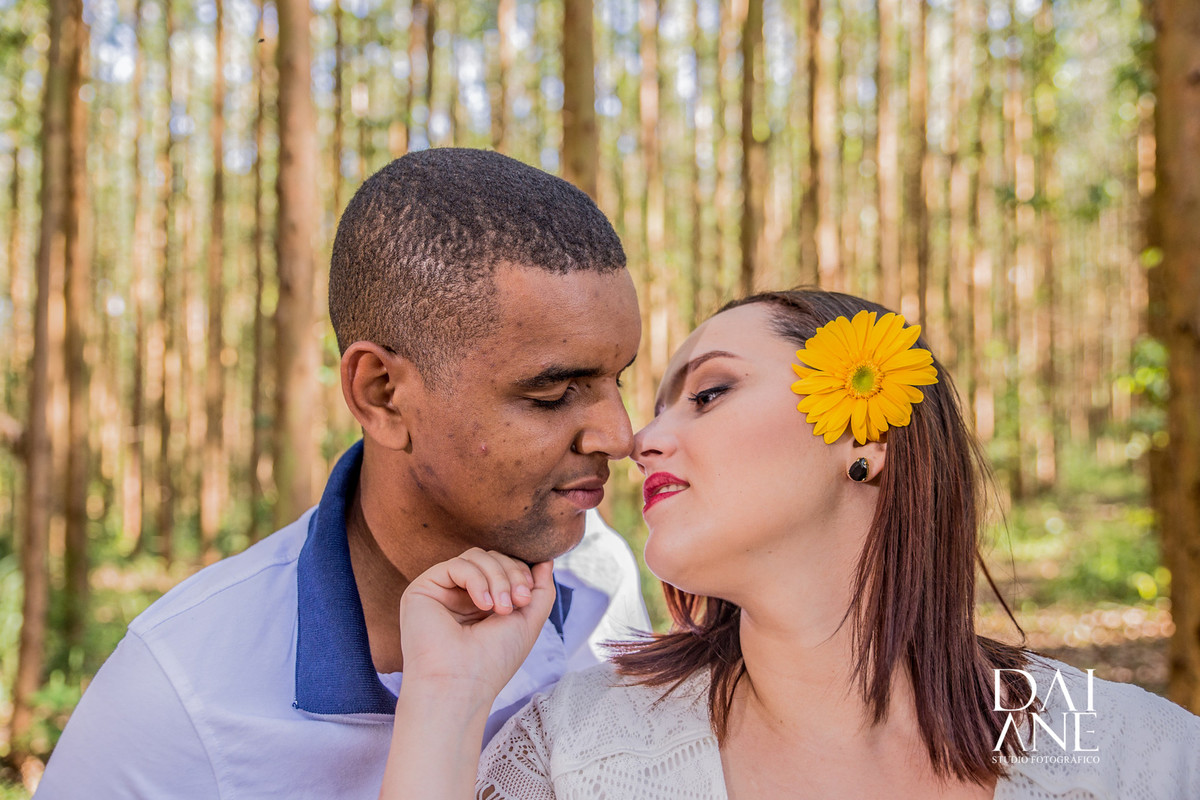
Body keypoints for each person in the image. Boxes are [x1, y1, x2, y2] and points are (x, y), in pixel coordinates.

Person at [385, 289, 1200, 799]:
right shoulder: (577, 750)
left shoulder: (1135, 755)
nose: (640, 440)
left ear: (868, 430)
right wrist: (446, 701)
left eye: (709, 393)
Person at [35, 148, 651, 799]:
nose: (619, 435)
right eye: (553, 392)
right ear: (383, 394)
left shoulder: (600, 580)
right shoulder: (180, 702)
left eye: (618, 379)